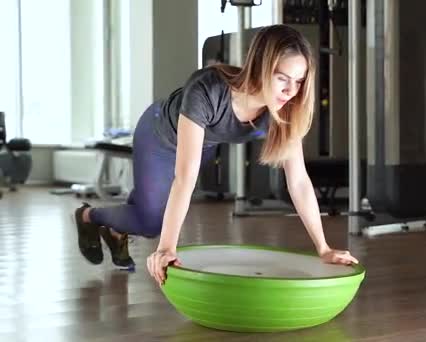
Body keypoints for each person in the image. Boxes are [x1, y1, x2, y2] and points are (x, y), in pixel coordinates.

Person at [73, 24, 359, 286]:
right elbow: (184, 179)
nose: (290, 91)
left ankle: (116, 230)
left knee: (148, 220)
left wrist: (323, 249)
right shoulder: (208, 89)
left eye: (298, 81)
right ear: (259, 66)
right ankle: (88, 216)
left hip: (204, 144)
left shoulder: (284, 109)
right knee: (149, 223)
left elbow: (298, 182)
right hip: (158, 136)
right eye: (282, 78)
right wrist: (166, 249)